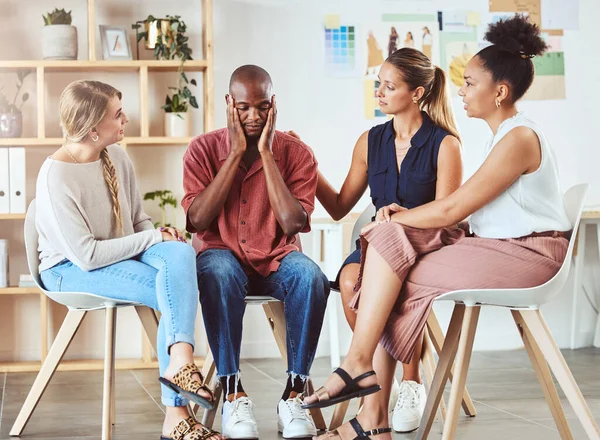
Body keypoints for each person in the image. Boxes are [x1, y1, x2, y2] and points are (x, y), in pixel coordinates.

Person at [304, 14, 571, 440]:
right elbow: (459, 213)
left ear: (499, 92)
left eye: (470, 83)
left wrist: (393, 217)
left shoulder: (516, 138)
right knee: (382, 272)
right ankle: (372, 405)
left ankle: (367, 380)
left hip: (529, 256)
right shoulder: (504, 137)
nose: (461, 90)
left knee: (384, 268)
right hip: (506, 249)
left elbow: (450, 211)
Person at [35, 80, 222, 440]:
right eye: (118, 114)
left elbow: (138, 222)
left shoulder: (117, 156)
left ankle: (180, 362)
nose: (127, 119)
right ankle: (177, 416)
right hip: (67, 270)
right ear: (93, 130)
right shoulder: (55, 177)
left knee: (179, 252)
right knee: (165, 286)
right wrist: (152, 238)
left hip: (115, 255)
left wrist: (160, 240)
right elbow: (87, 255)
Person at [316, 47, 462, 433]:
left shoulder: (446, 144)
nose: (378, 92)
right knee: (350, 283)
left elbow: (449, 217)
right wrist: (308, 167)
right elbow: (338, 205)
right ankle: (379, 385)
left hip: (428, 247)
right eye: (377, 84)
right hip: (377, 245)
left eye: (389, 86)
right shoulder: (370, 141)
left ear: (416, 93)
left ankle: (409, 381)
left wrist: (403, 219)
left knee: (398, 290)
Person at [182, 65, 330, 439]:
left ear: (273, 105)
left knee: (310, 276)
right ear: (229, 103)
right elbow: (197, 220)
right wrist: (234, 156)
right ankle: (232, 393)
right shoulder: (202, 150)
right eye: (244, 107)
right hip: (222, 255)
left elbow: (293, 223)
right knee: (217, 271)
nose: (253, 116)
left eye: (262, 107)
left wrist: (265, 153)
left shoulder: (296, 153)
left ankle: (295, 394)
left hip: (276, 257)